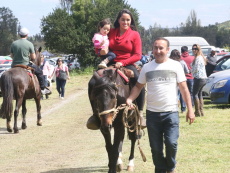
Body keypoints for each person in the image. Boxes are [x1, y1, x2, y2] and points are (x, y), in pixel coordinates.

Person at [126, 37, 195, 173]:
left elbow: (184, 89)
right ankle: (160, 169)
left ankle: (170, 168)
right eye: (155, 48)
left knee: (171, 144)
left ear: (167, 50)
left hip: (171, 113)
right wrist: (129, 99)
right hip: (152, 115)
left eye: (161, 48)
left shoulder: (175, 65)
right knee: (156, 148)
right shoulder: (147, 67)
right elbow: (138, 87)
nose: (158, 51)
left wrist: (190, 110)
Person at [87, 9, 146, 130]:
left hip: (127, 63)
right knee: (92, 82)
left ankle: (139, 113)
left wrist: (123, 62)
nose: (125, 22)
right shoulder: (111, 31)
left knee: (138, 81)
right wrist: (99, 52)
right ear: (118, 20)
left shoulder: (135, 34)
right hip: (110, 62)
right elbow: (101, 46)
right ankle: (94, 115)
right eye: (123, 19)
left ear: (131, 21)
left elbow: (137, 55)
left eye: (128, 20)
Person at [10, 27, 51, 95]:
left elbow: (11, 56)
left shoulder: (13, 43)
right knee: (39, 72)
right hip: (26, 64)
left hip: (14, 65)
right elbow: (34, 57)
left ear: (19, 34)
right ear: (27, 35)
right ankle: (43, 89)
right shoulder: (29, 44)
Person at [190, 44, 207, 117]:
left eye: (195, 49)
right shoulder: (200, 57)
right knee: (199, 94)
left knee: (195, 94)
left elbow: (196, 69)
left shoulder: (198, 58)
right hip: (203, 78)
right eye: (193, 49)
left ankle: (197, 112)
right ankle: (201, 111)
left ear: (198, 49)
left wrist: (190, 71)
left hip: (199, 78)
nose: (194, 50)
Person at [180, 46, 195, 113]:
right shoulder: (192, 58)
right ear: (188, 51)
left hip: (182, 78)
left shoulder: (179, 58)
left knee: (182, 93)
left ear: (181, 51)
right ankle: (191, 107)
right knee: (191, 93)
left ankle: (183, 109)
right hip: (190, 77)